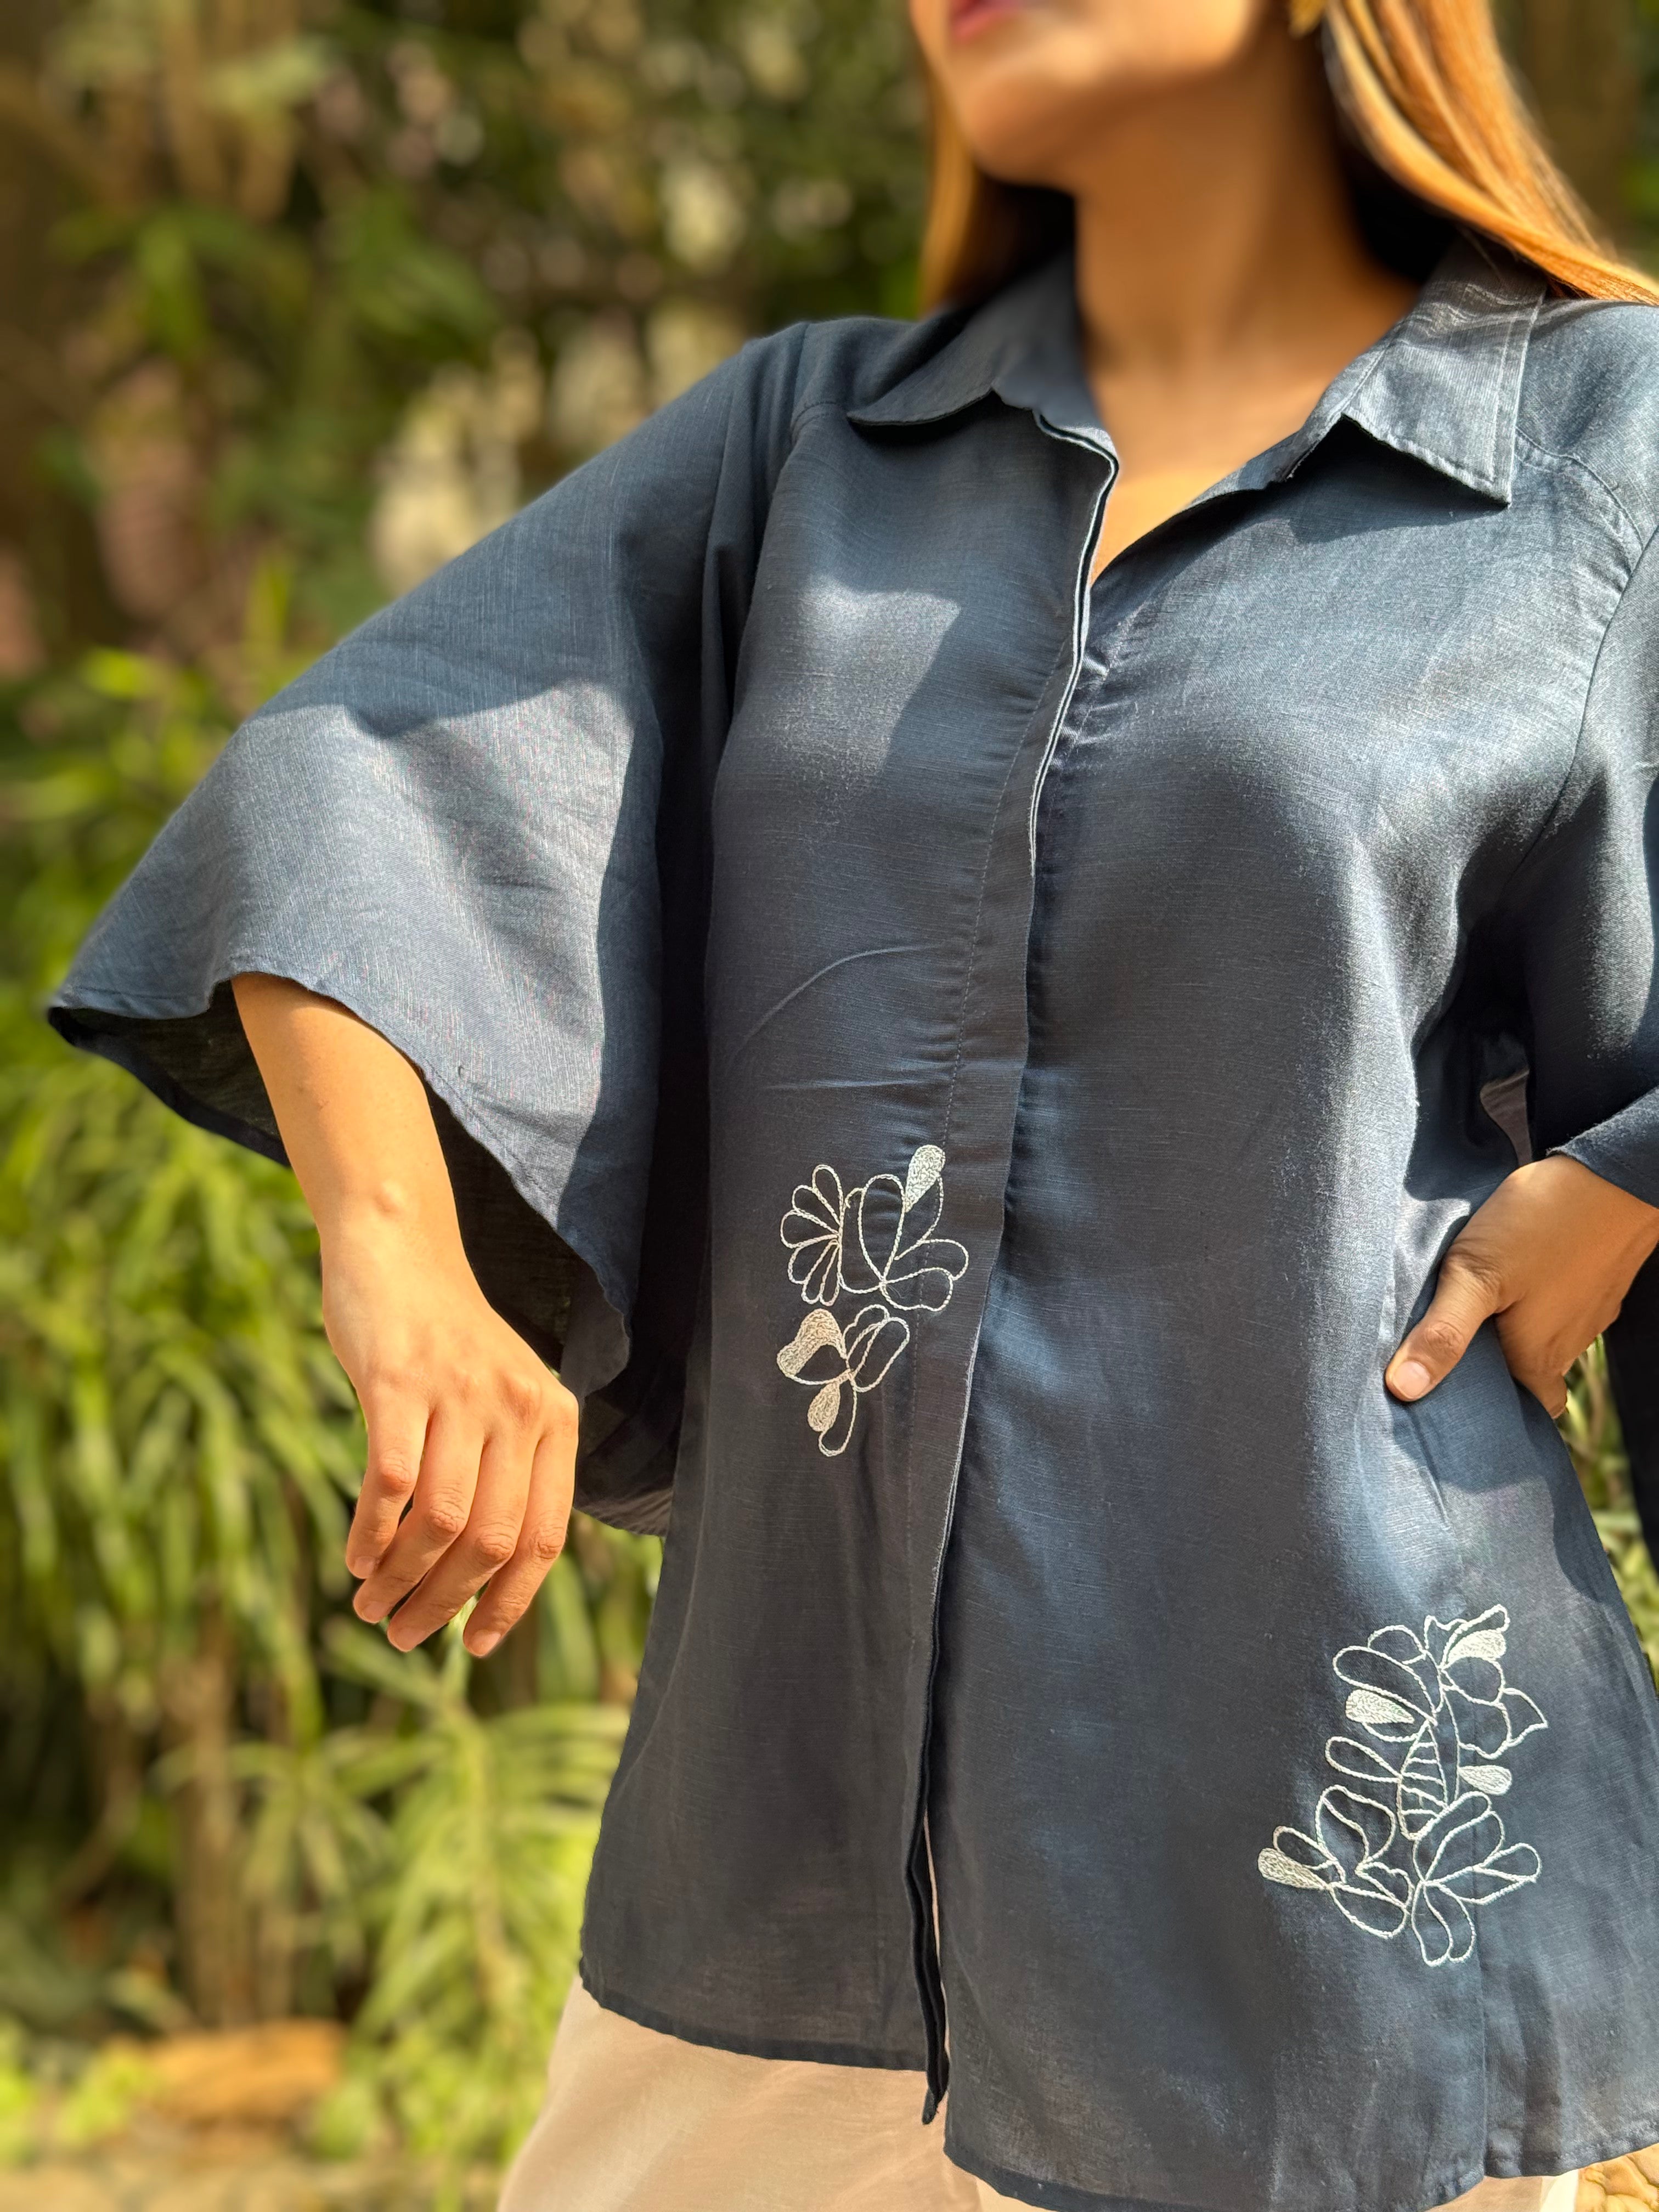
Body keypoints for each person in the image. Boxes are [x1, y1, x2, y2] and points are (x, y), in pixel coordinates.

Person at [47, 0, 1659, 2205]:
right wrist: (403, 1266)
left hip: (1328, 1869)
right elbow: (358, 778)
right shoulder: (812, 447)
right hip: (790, 1873)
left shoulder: (1601, 444)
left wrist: (1628, 1180)